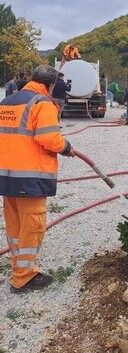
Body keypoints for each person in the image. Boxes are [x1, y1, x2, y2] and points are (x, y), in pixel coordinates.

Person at [0, 64, 76, 292]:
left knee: (14, 224)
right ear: (50, 85)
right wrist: (66, 147)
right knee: (32, 225)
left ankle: (18, 267)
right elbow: (49, 138)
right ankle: (23, 278)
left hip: (6, 175)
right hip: (29, 177)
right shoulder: (41, 102)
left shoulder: (7, 102)